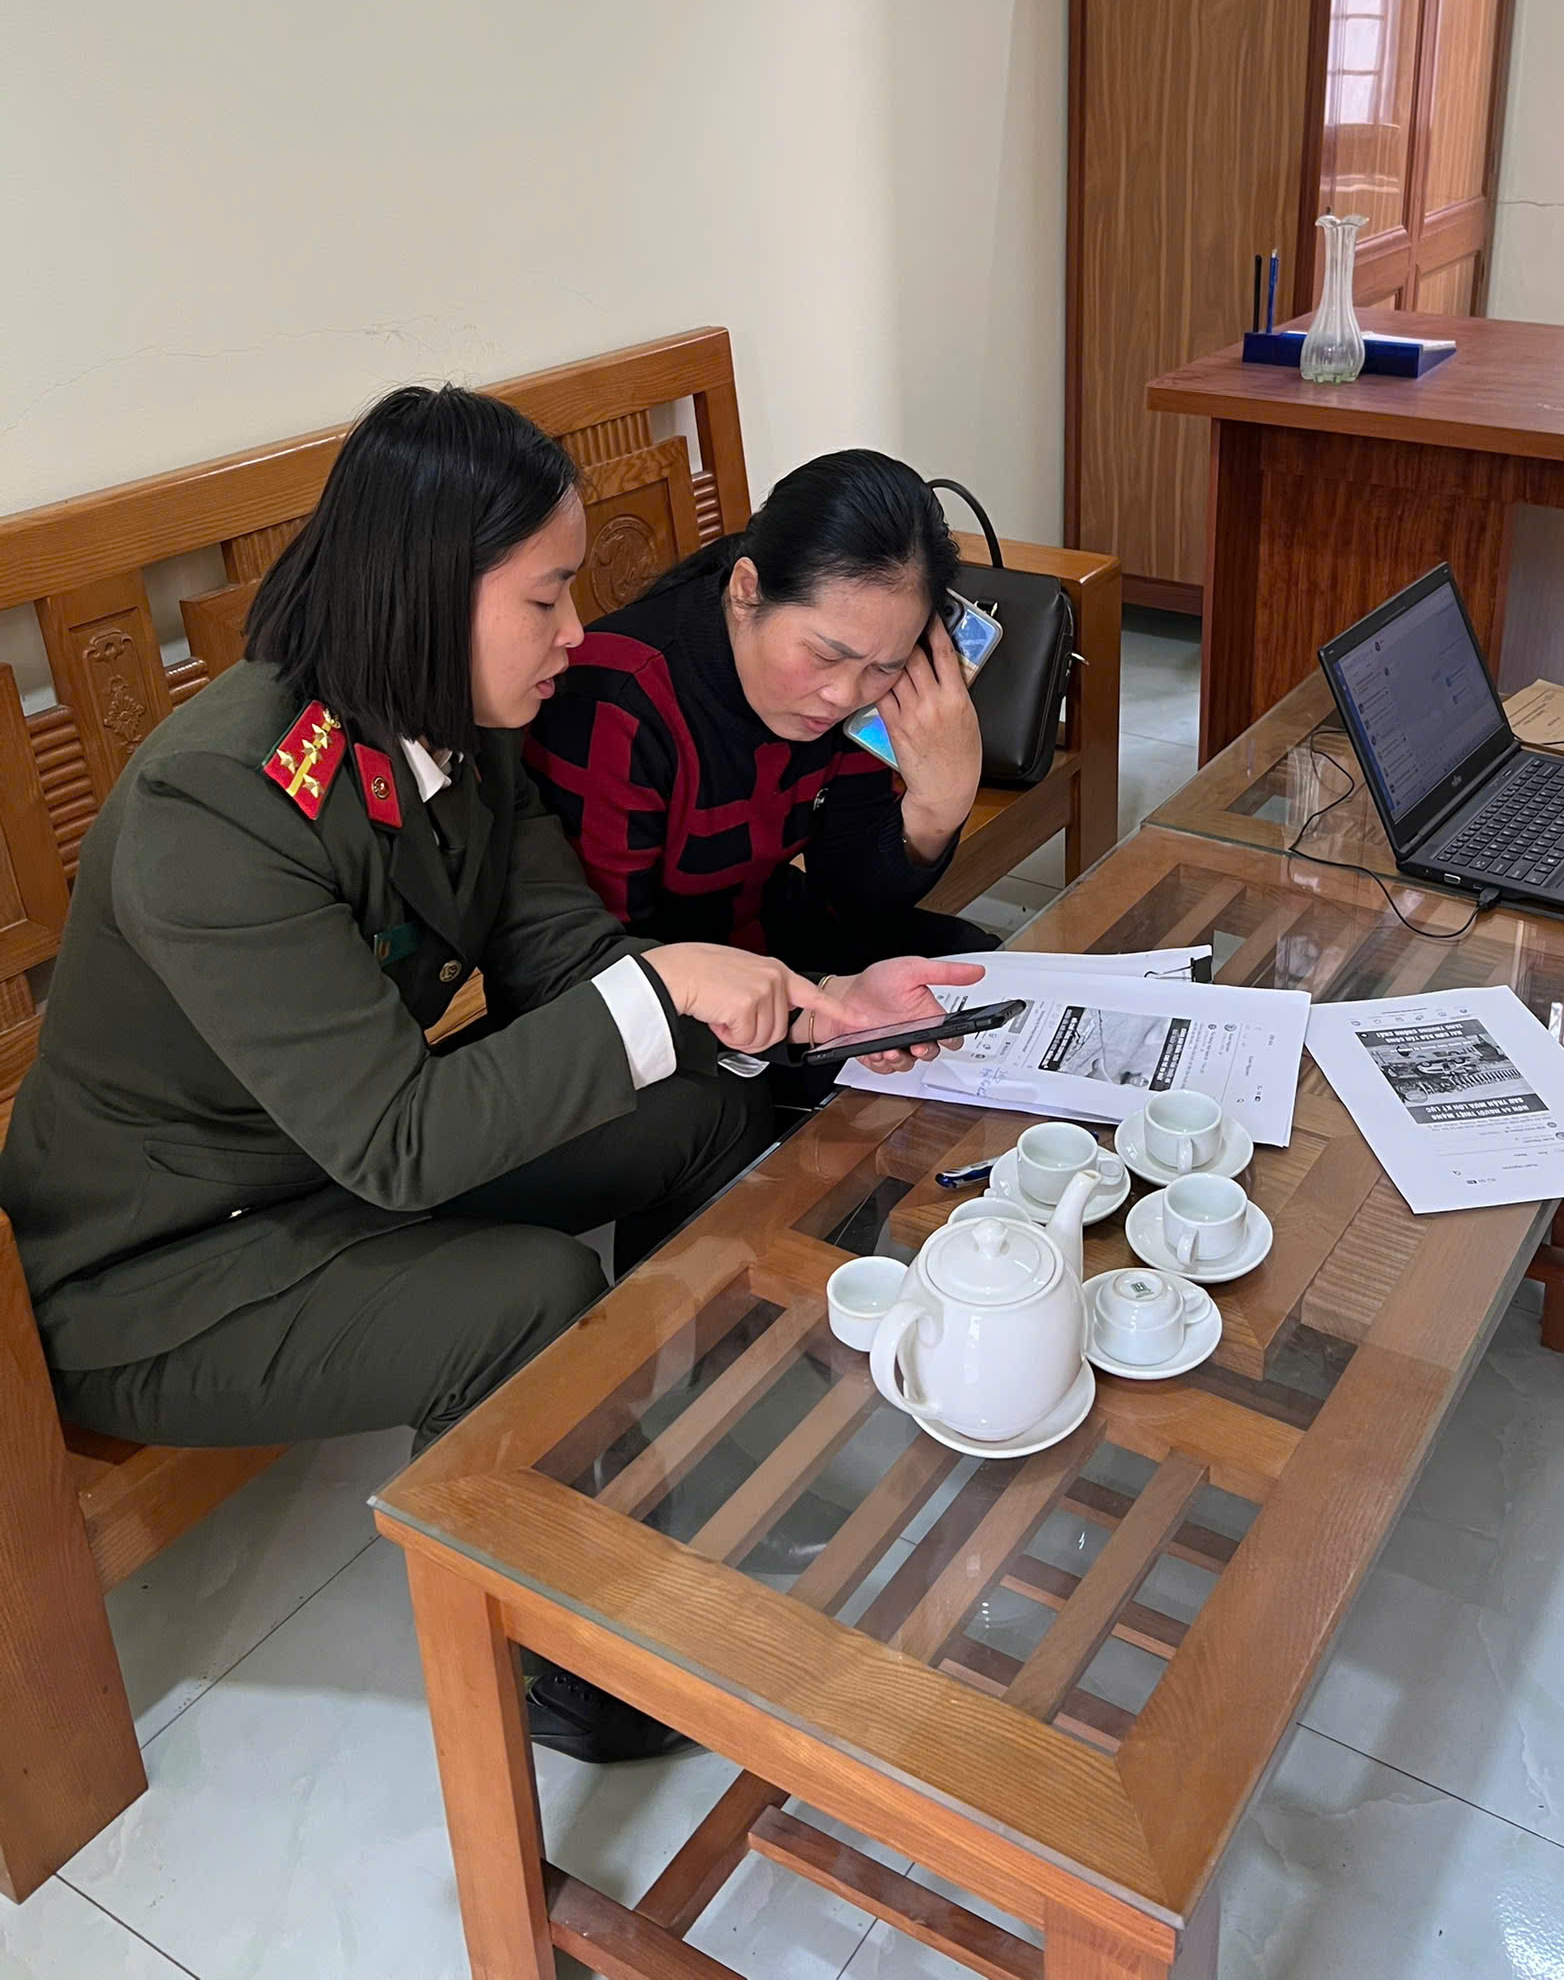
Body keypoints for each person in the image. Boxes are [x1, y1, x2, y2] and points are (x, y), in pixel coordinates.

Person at [0, 387, 976, 1763]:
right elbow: (402, 1143)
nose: (578, 630)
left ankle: (674, 1463)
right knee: (525, 1298)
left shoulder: (459, 729)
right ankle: (559, 1661)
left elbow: (568, 948)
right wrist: (665, 986)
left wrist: (820, 1003)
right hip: (161, 1264)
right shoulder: (215, 808)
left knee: (702, 1104)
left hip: (325, 1154)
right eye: (547, 596)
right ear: (425, 590)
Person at [525, 449, 995, 983]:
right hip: (660, 982)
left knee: (977, 963)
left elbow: (851, 901)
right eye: (824, 654)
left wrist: (939, 805)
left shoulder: (858, 687)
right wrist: (808, 1010)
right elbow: (600, 967)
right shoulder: (617, 701)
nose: (843, 694)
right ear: (746, 590)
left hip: (760, 939)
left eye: (884, 666)